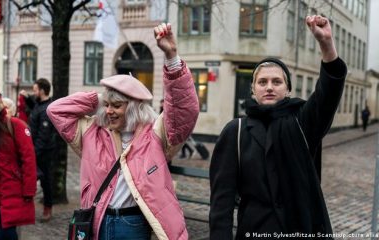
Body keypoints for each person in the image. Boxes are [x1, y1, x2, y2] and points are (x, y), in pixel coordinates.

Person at [47, 22, 199, 240]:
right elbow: (56, 110)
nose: (109, 111)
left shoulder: (155, 134)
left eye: (116, 106)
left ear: (134, 107)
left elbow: (184, 112)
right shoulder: (92, 132)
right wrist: (101, 98)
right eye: (107, 105)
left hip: (132, 225)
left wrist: (172, 58)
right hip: (97, 222)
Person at [209, 15, 347, 239]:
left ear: (288, 89)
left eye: (277, 81)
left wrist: (326, 44)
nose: (269, 87)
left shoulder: (302, 122)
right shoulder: (236, 131)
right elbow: (221, 203)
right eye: (262, 82)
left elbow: (328, 93)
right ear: (253, 90)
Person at [0, 86, 37, 240]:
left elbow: (28, 159)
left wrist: (29, 190)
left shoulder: (15, 125)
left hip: (12, 191)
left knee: (7, 233)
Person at [20, 78, 58, 222]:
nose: (34, 92)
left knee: (46, 181)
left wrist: (32, 154)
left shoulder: (48, 110)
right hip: (35, 150)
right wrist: (27, 97)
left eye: (35, 90)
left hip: (44, 153)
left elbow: (43, 137)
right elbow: (35, 105)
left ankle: (47, 209)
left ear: (42, 91)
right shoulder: (40, 104)